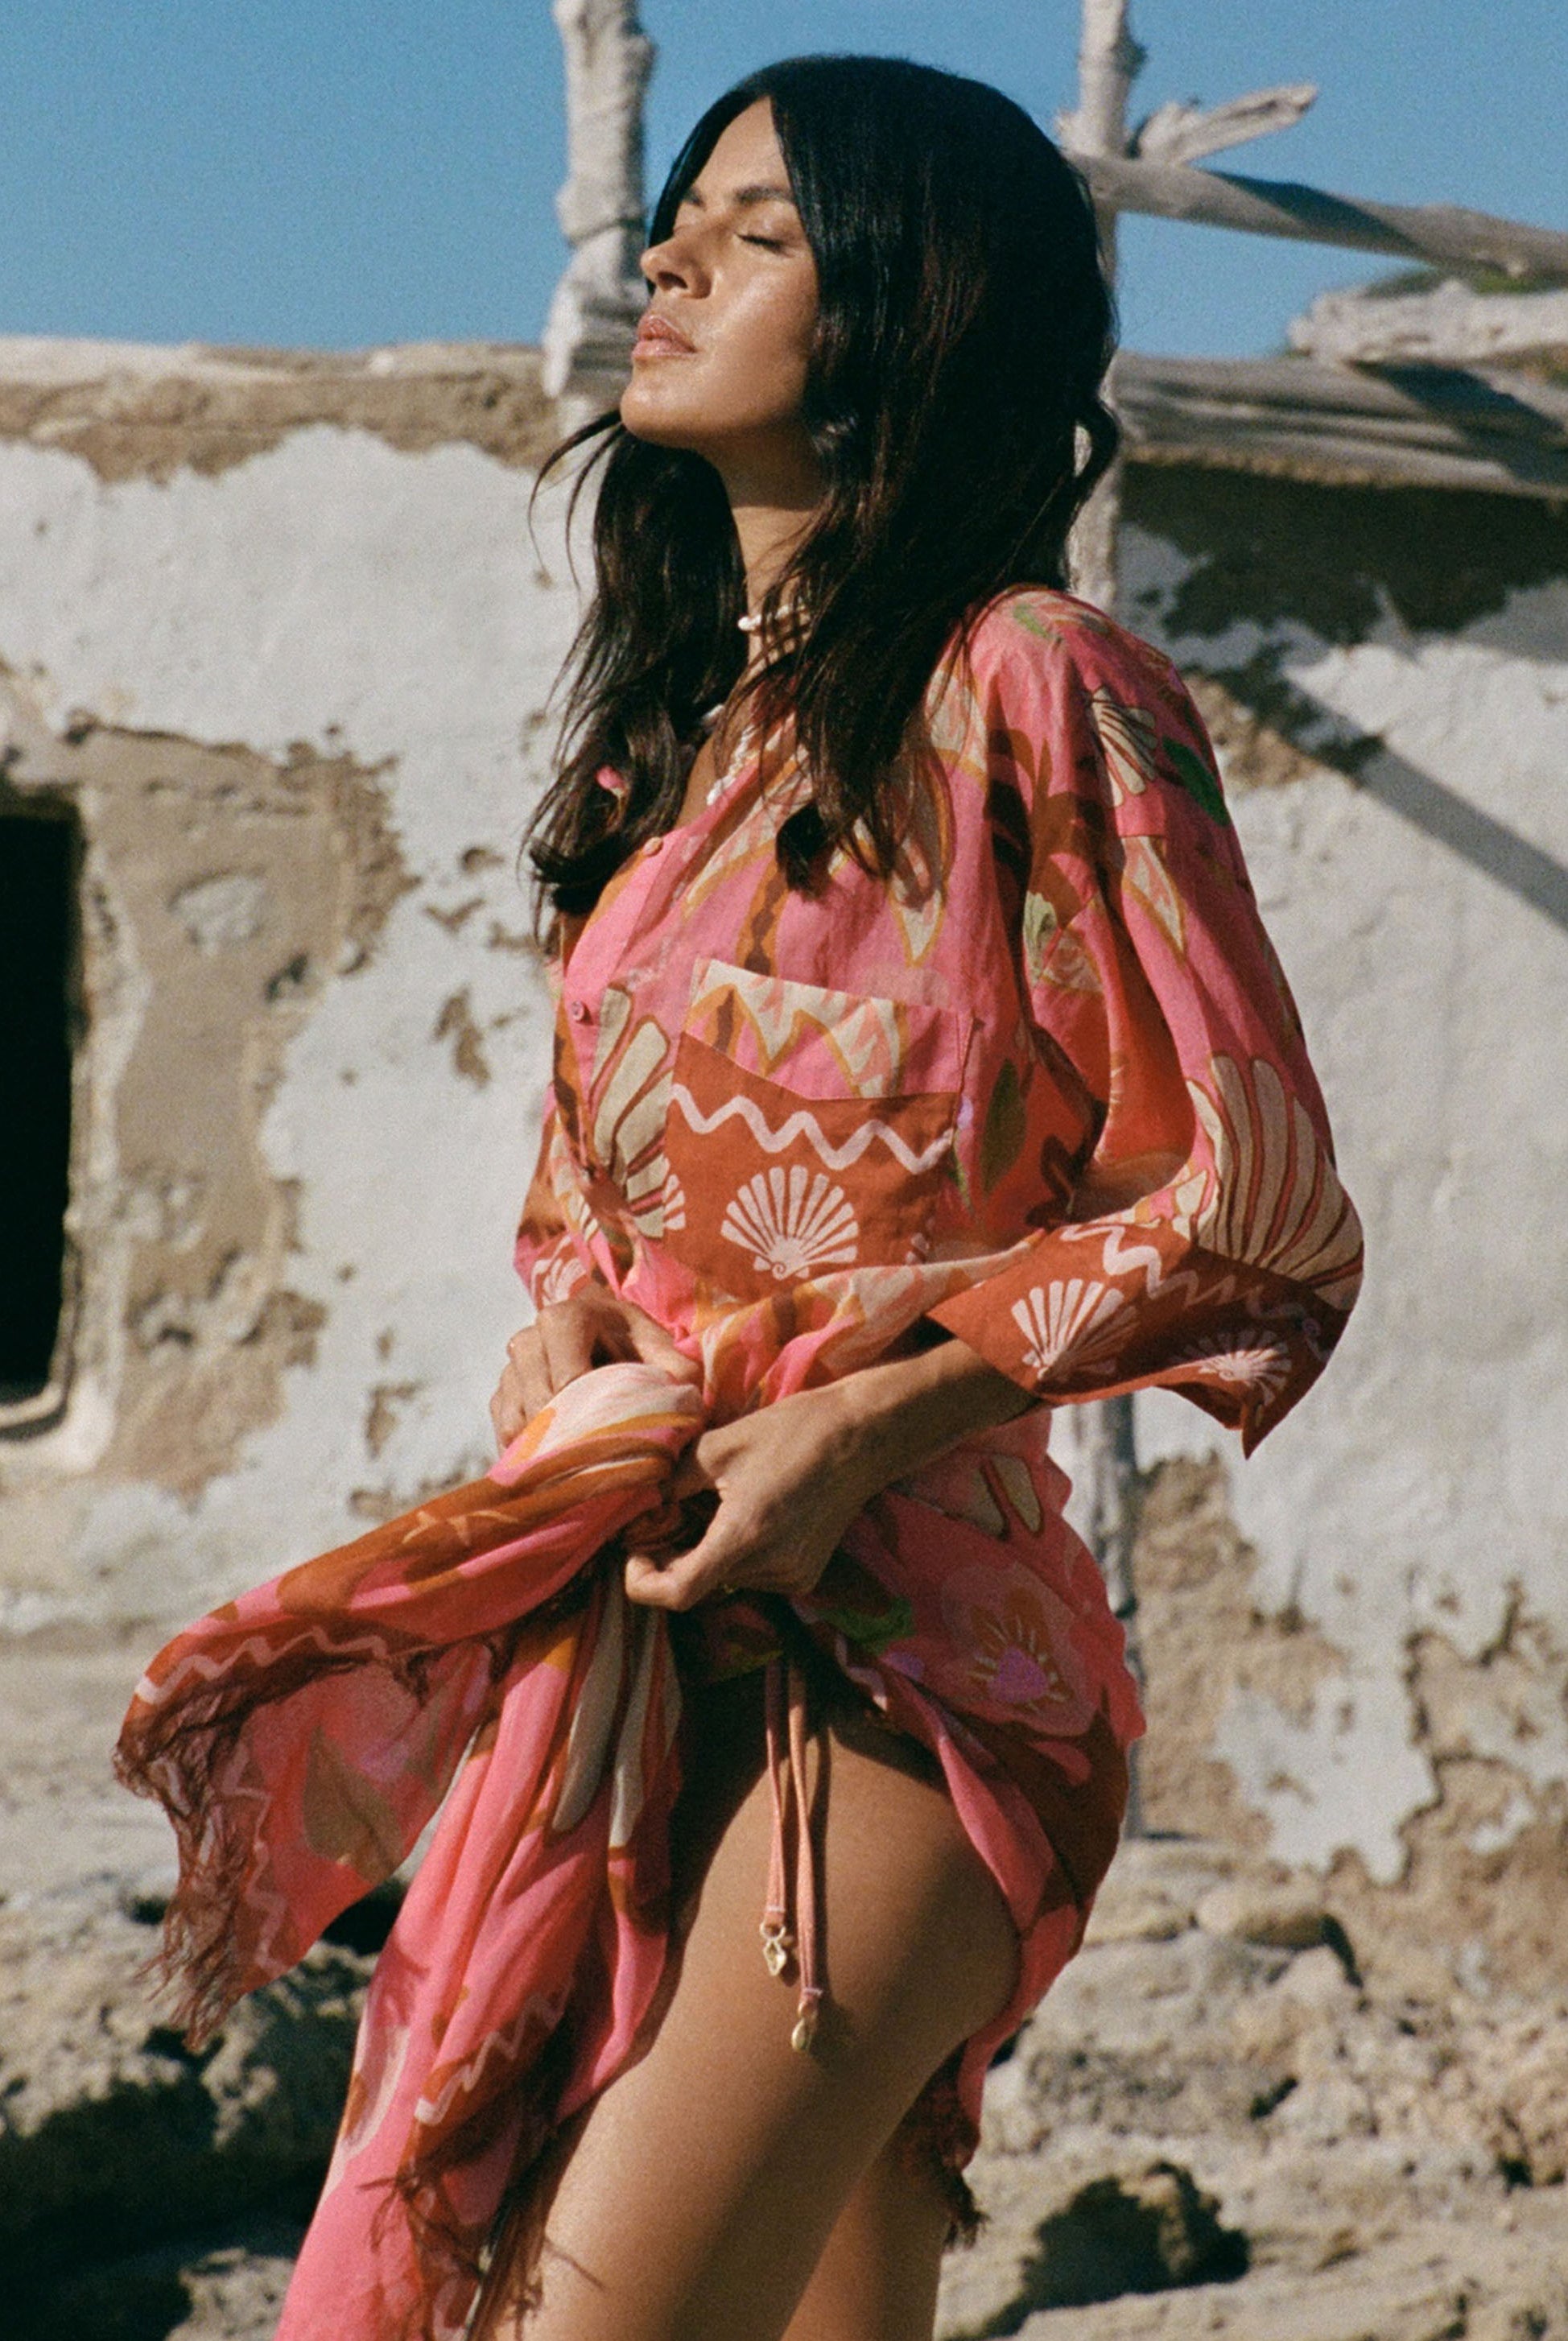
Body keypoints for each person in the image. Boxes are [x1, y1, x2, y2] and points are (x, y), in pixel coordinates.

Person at [116, 53, 1362, 2341]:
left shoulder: (1037, 692)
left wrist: (856, 1426)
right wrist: (565, 1347)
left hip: (905, 1681)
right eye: (677, 209)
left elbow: (1252, 1203)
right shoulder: (662, 757)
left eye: (757, 229)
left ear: (908, 309)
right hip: (631, 1653)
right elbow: (581, 1221)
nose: (672, 256)